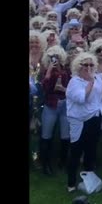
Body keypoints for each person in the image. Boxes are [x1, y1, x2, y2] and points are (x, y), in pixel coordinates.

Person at [65, 52, 102, 192]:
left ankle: (89, 180)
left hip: (94, 117)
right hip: (79, 120)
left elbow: (100, 97)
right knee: (76, 150)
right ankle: (71, 183)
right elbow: (81, 98)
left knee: (91, 150)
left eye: (91, 65)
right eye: (85, 65)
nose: (88, 68)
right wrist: (90, 82)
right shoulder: (74, 82)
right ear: (78, 66)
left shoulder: (97, 79)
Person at [39, 45, 71, 176]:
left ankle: (62, 161)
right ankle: (45, 164)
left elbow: (69, 87)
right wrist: (48, 73)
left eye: (57, 57)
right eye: (52, 57)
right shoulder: (46, 71)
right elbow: (43, 90)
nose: (55, 60)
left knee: (65, 135)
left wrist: (60, 73)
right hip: (50, 105)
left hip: (64, 105)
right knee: (46, 135)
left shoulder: (66, 71)